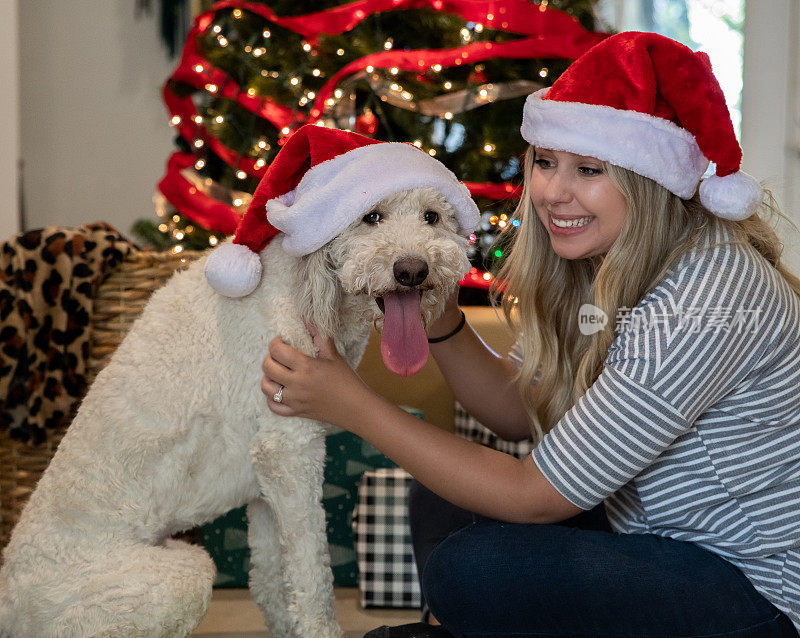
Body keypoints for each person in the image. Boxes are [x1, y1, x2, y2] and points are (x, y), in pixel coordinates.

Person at [259, 32, 800, 638]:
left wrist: (354, 405)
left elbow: (536, 495)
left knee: (475, 568)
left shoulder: (707, 295)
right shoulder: (612, 259)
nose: (551, 193)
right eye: (545, 163)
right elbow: (522, 410)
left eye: (588, 170)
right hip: (650, 534)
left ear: (648, 180)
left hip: (757, 591)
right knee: (441, 499)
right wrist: (437, 315)